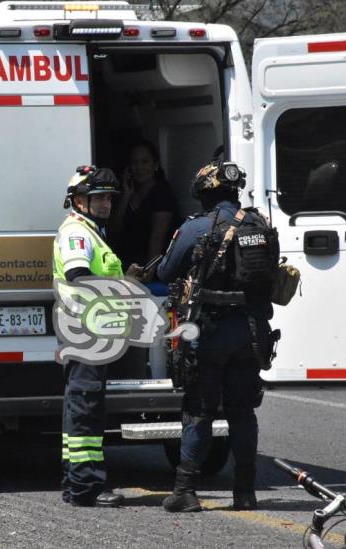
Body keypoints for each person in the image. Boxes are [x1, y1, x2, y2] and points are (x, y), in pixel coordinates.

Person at [157, 160, 279, 513]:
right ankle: (244, 492)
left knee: (199, 410)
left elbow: (166, 270)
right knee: (243, 412)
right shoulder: (259, 224)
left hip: (208, 331)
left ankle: (185, 491)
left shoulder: (196, 228)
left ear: (204, 194)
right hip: (250, 331)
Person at [53, 165, 127, 508]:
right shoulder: (77, 234)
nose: (105, 204)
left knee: (80, 406)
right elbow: (79, 276)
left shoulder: (92, 232)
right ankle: (85, 486)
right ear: (78, 201)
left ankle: (76, 483)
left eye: (108, 198)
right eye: (97, 198)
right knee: (85, 408)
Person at [109, 141, 180, 269]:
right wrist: (126, 196)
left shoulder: (162, 193)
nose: (139, 167)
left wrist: (149, 270)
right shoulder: (127, 192)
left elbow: (157, 238)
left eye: (145, 162)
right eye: (134, 162)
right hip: (125, 262)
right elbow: (114, 230)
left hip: (151, 264)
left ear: (155, 165)